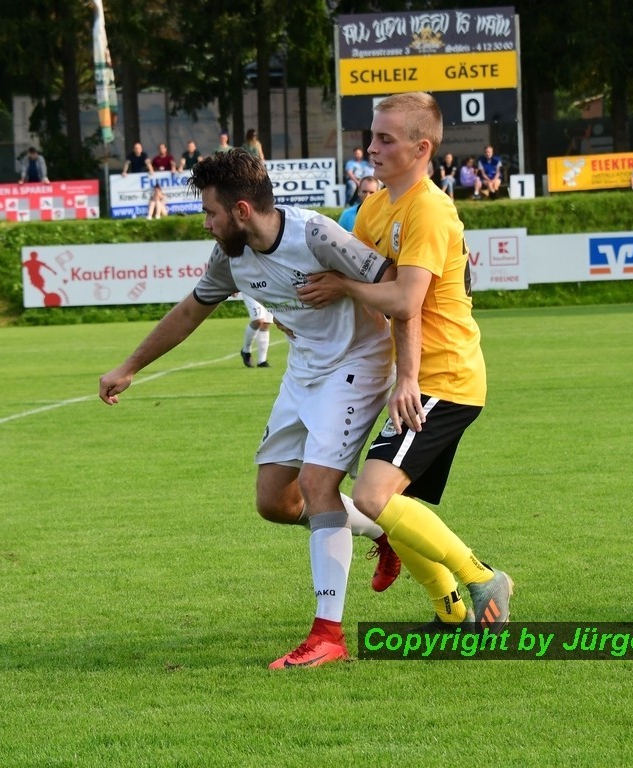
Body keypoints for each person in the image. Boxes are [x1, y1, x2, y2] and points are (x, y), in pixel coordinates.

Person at [98, 149, 403, 670]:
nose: (206, 223)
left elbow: (398, 282)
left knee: (317, 485)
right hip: (304, 370)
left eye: (210, 212)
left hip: (360, 362)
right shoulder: (230, 256)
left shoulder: (316, 235)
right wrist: (130, 366)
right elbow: (192, 309)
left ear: (241, 210)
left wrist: (346, 287)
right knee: (274, 502)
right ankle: (386, 531)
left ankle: (328, 634)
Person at [298, 91, 513, 645]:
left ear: (421, 148)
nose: (371, 148)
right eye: (371, 136)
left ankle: (483, 579)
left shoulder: (431, 209)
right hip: (422, 376)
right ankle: (449, 614)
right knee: (395, 503)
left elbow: (403, 300)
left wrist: (345, 288)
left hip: (446, 376)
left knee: (372, 497)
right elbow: (360, 280)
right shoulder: (375, 208)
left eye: (385, 139)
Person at [238, 293, 272, 368]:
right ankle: (246, 351)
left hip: (268, 289)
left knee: (265, 323)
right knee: (258, 320)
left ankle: (262, 361)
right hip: (250, 287)